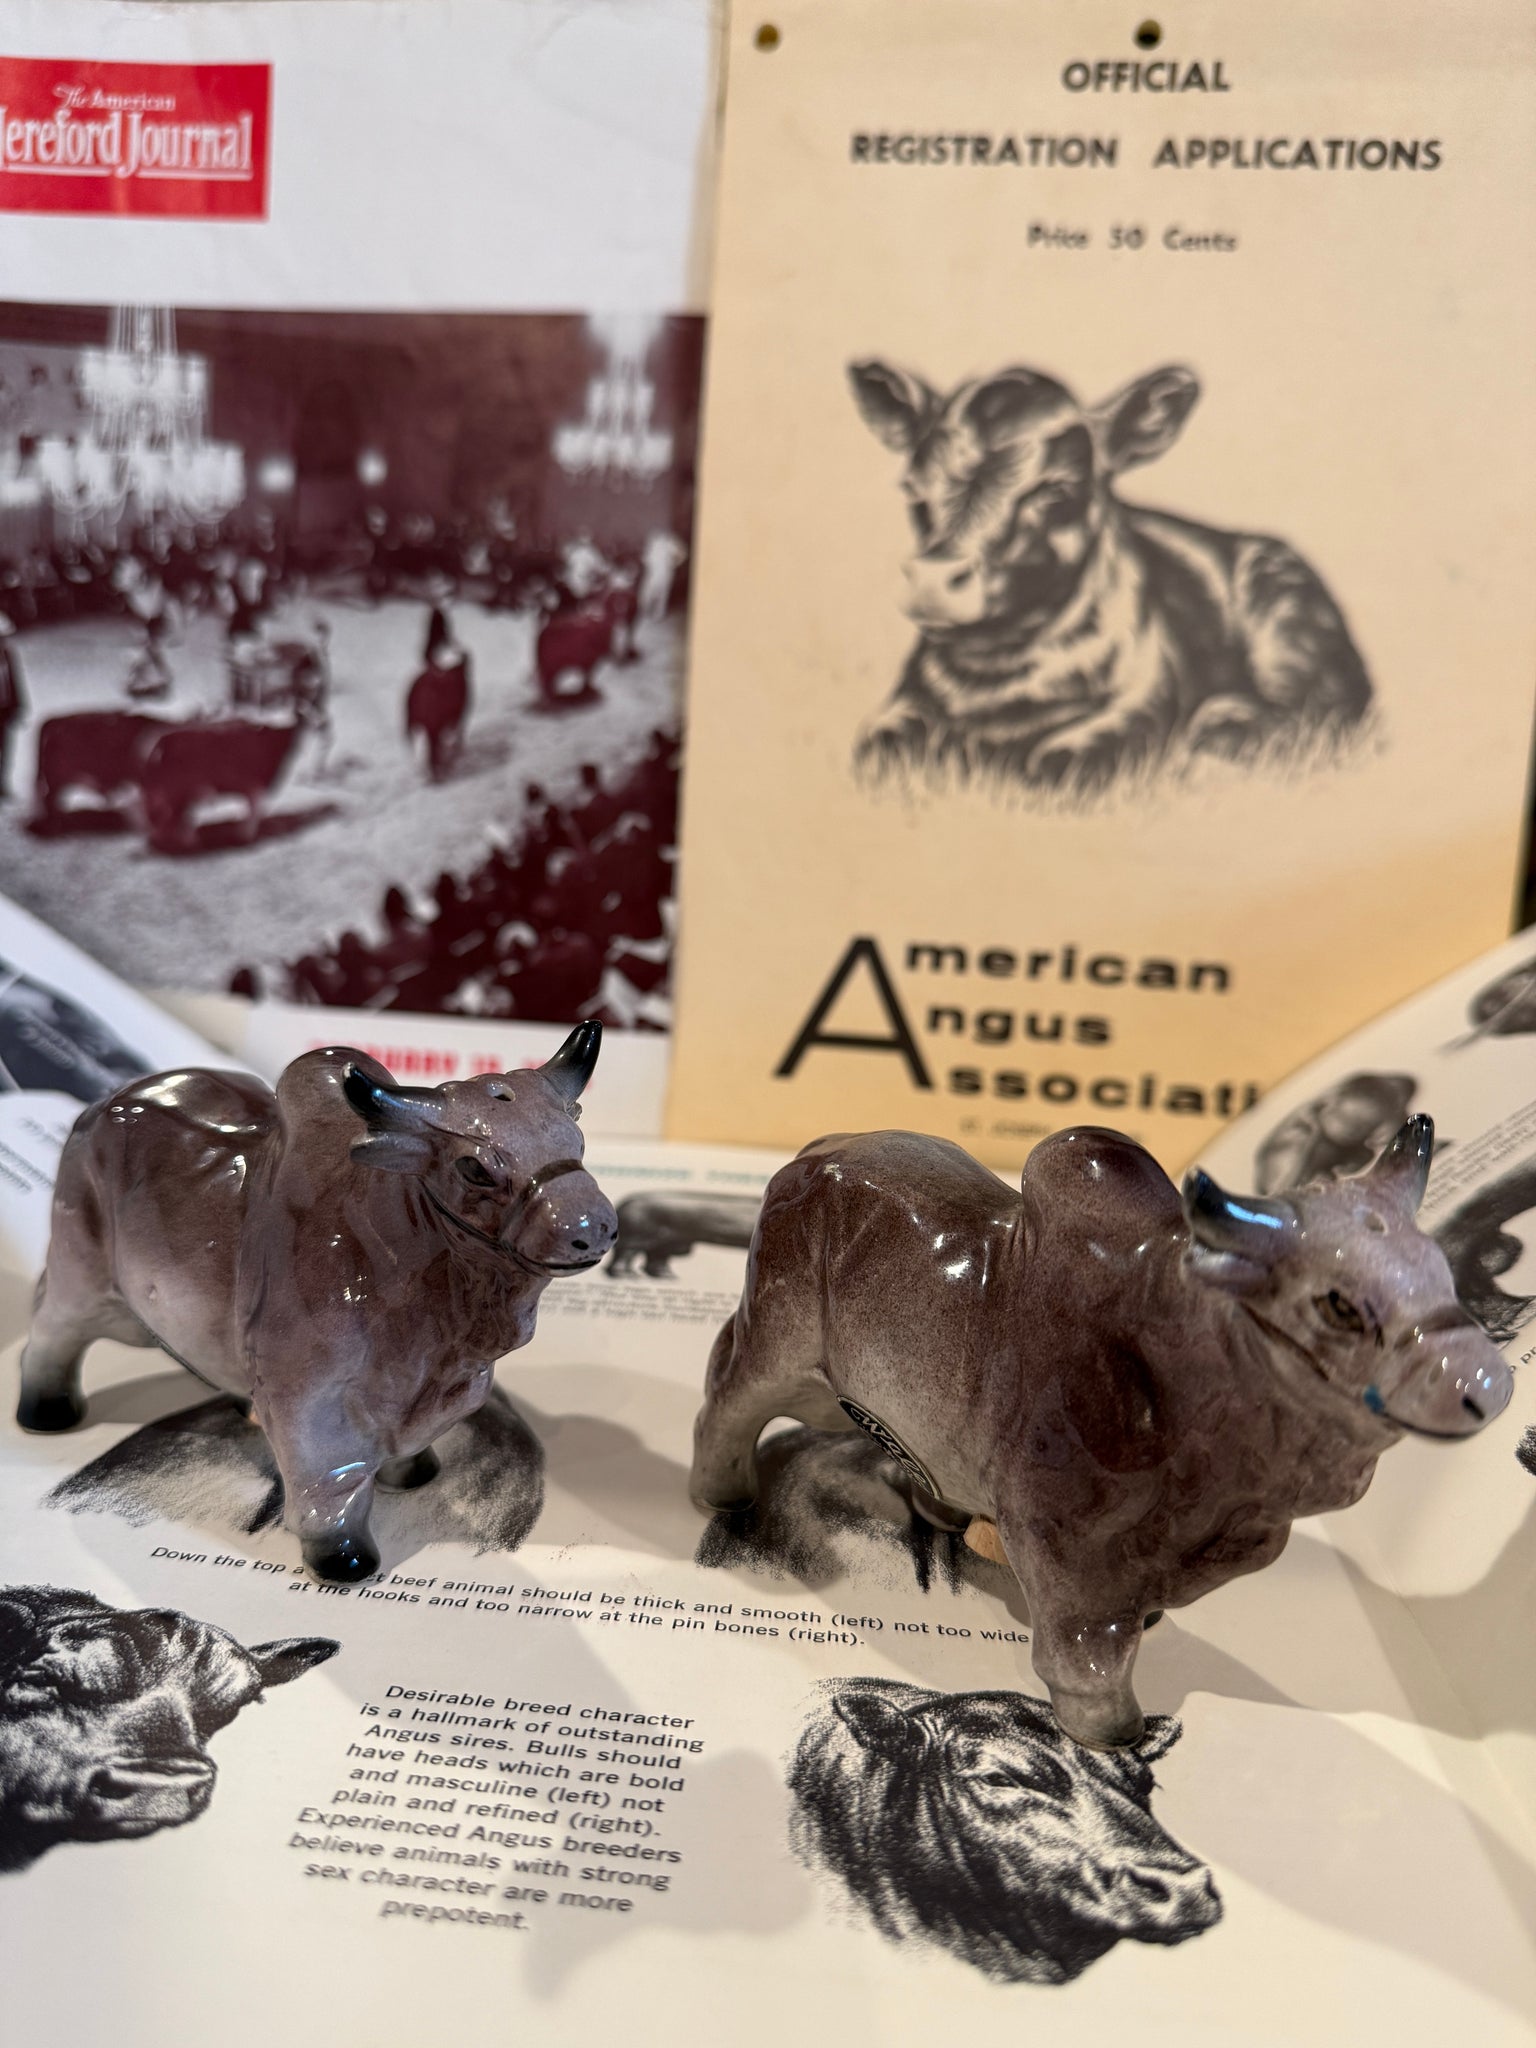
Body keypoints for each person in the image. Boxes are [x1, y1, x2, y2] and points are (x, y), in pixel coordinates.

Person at [0, 613, 26, 801]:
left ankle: (1, 783)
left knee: (6, 749)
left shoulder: (8, 655)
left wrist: (19, 705)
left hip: (5, 709)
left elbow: (15, 681)